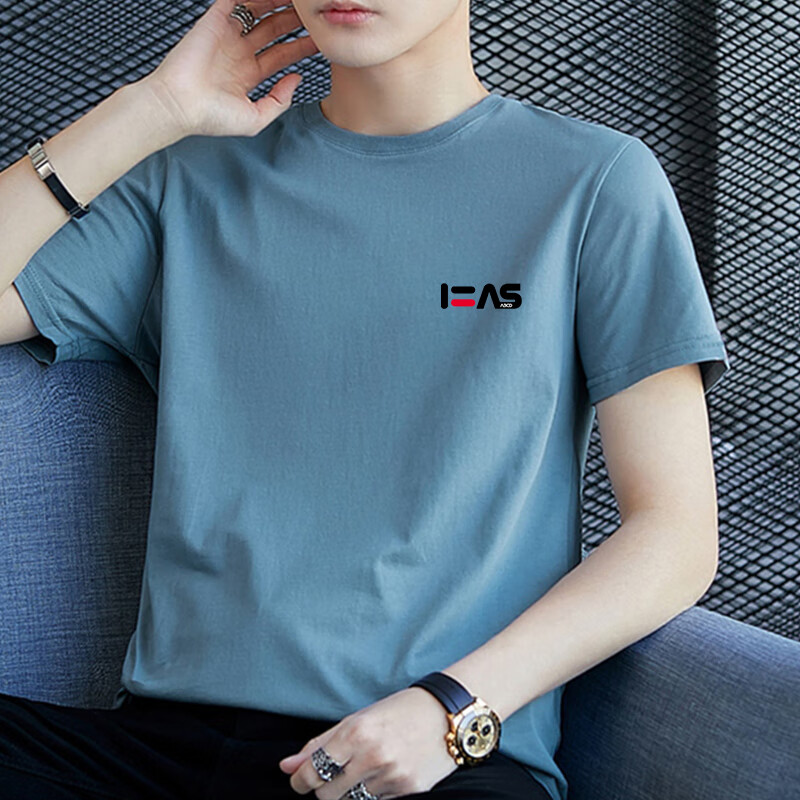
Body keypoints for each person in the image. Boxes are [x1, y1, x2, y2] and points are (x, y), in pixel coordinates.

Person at [0, 0, 732, 798]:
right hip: (164, 748)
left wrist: (453, 708)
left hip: (432, 761)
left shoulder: (596, 183)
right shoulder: (189, 173)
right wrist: (152, 108)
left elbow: (676, 535)